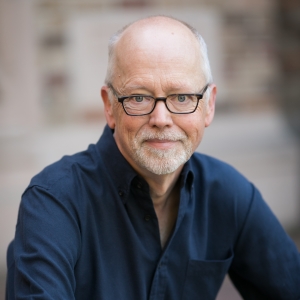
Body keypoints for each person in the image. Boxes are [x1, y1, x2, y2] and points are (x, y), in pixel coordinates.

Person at [6, 15, 300, 300]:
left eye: (182, 97)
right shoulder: (53, 202)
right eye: (139, 97)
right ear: (110, 106)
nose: (161, 119)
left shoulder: (229, 195)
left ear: (209, 105)